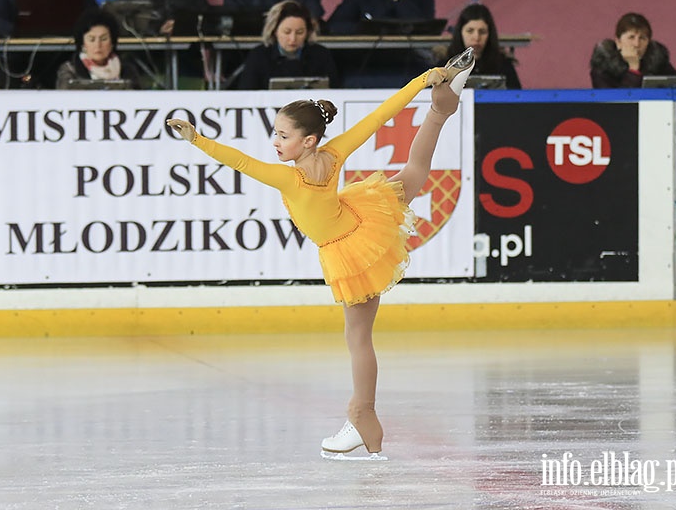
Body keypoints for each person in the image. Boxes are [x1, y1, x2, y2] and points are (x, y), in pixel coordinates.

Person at [167, 48, 476, 459]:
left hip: (350, 249)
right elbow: (381, 115)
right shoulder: (333, 154)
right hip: (360, 218)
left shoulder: (288, 179)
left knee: (358, 337)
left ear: (308, 140)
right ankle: (442, 106)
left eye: (283, 135)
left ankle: (362, 416)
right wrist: (424, 81)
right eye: (275, 133)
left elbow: (238, 160)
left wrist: (195, 139)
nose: (275, 142)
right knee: (412, 175)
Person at [238, 0, 338, 90]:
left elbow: (335, 92)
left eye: (299, 32)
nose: (293, 39)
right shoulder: (258, 55)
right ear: (274, 31)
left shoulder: (321, 55)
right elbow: (246, 95)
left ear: (308, 32)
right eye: (286, 32)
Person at [56, 8, 141, 89]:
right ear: (82, 43)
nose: (98, 45)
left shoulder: (127, 70)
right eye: (91, 39)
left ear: (112, 42)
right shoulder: (70, 71)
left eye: (104, 39)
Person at [590, 12, 676, 88]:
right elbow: (619, 102)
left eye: (642, 38)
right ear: (618, 42)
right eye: (631, 37)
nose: (636, 44)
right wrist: (633, 68)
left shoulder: (658, 63)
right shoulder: (602, 67)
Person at [442, 3, 521, 89]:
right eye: (470, 31)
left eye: (482, 32)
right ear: (460, 33)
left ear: (490, 34)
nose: (476, 37)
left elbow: (517, 98)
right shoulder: (444, 67)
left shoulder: (504, 66)